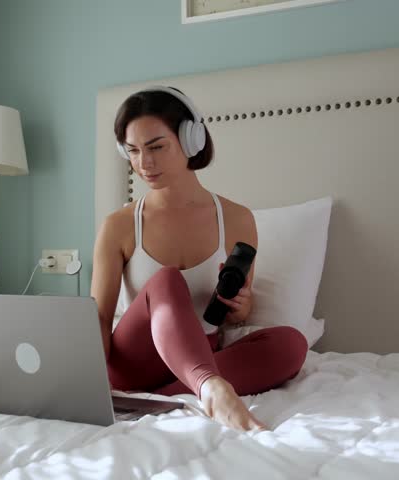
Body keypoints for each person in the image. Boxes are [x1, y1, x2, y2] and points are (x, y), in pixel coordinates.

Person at [91, 86, 308, 431]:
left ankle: (168, 396)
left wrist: (240, 308)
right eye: (132, 150)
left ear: (191, 141)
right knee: (166, 280)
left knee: (292, 344)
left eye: (156, 147)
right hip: (135, 362)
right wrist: (89, 383)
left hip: (199, 355)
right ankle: (211, 389)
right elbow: (101, 319)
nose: (144, 163)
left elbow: (237, 317)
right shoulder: (119, 225)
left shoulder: (237, 219)